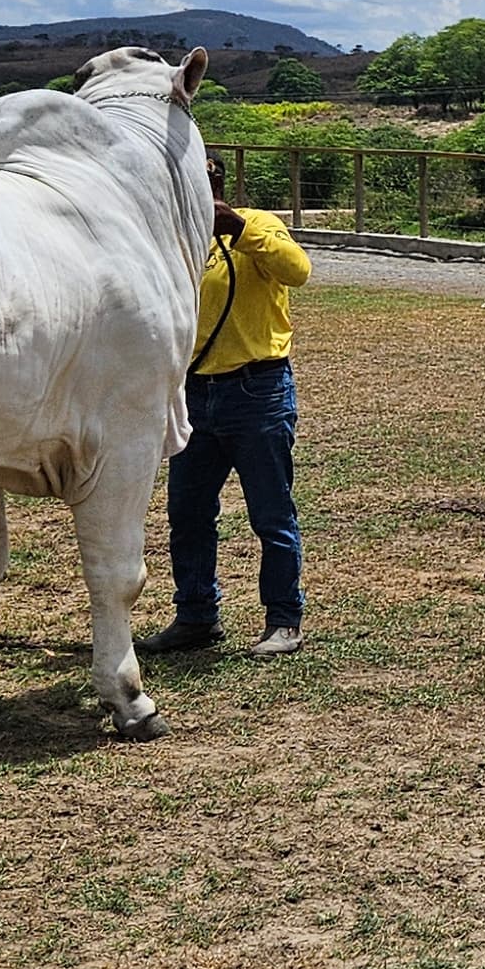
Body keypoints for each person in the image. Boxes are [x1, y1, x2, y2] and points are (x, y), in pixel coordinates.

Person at [144, 153, 312, 660]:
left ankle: (284, 619)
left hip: (256, 390)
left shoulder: (258, 225)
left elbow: (297, 270)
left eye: (208, 180)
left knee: (270, 512)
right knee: (189, 513)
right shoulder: (173, 238)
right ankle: (196, 615)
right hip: (193, 394)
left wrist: (237, 227)